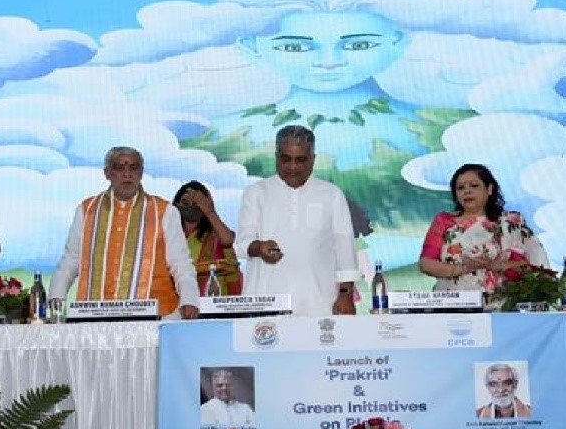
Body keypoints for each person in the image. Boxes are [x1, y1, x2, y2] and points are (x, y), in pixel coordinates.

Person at [48, 147, 199, 319]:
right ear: (107, 173)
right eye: (119, 167)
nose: (127, 174)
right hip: (95, 318)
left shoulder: (165, 211)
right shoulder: (87, 210)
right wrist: (56, 297)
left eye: (133, 167)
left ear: (141, 172)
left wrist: (189, 300)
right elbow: (72, 259)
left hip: (157, 318)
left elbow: (180, 262)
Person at [236, 125, 358, 316]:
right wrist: (259, 247)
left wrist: (345, 294)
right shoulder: (256, 192)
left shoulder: (331, 194)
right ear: (276, 157)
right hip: (265, 303)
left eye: (301, 160)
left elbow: (345, 246)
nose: (293, 167)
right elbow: (243, 242)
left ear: (313, 159)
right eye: (286, 159)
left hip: (319, 304)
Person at [419, 164, 549, 299]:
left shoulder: (511, 221)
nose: (467, 191)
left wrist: (497, 266)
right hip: (453, 301)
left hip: (503, 303)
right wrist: (464, 268)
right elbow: (426, 264)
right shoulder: (443, 220)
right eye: (460, 188)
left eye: (474, 185)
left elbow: (531, 265)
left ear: (489, 189)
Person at [172, 181, 242, 296]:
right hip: (177, 300)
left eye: (196, 203)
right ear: (177, 203)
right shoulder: (169, 233)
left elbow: (228, 240)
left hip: (211, 300)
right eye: (185, 202)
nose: (191, 206)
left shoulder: (215, 234)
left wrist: (209, 211)